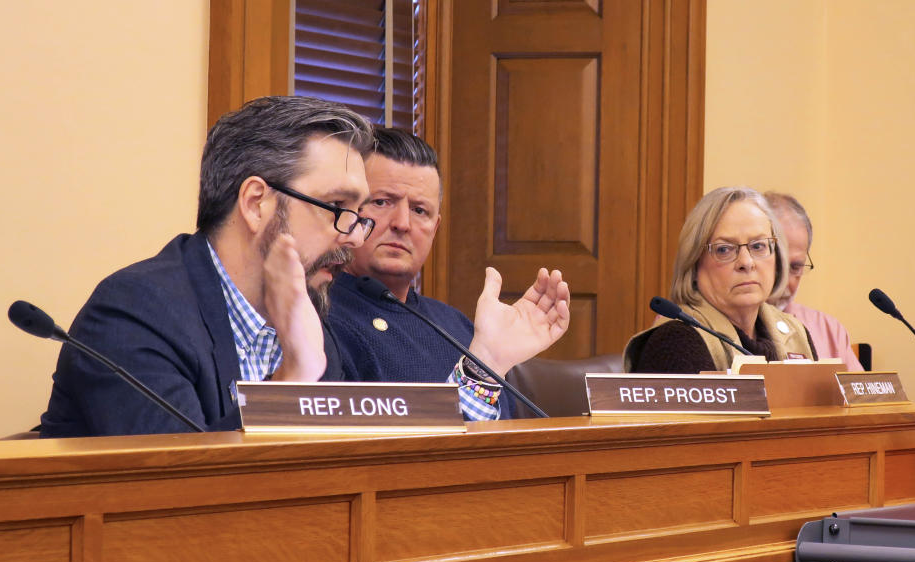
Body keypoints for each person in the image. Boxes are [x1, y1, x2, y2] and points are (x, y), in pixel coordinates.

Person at [41, 96, 376, 437]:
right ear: (255, 203)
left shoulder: (314, 328)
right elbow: (178, 480)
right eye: (337, 207)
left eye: (360, 216)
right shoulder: (133, 312)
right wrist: (294, 380)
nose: (355, 239)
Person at [325, 127, 571, 420]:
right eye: (382, 202)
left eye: (419, 210)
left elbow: (504, 443)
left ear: (435, 228)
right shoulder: (318, 316)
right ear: (349, 211)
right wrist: (482, 366)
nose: (402, 223)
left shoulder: (457, 327)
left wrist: (493, 358)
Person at [624, 186, 816, 373]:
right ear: (694, 262)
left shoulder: (796, 332)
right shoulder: (675, 342)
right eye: (724, 249)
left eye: (758, 246)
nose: (746, 263)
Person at [765, 192, 864, 371]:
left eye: (795, 267)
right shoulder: (722, 328)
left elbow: (863, 399)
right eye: (776, 265)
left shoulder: (829, 330)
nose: (784, 282)